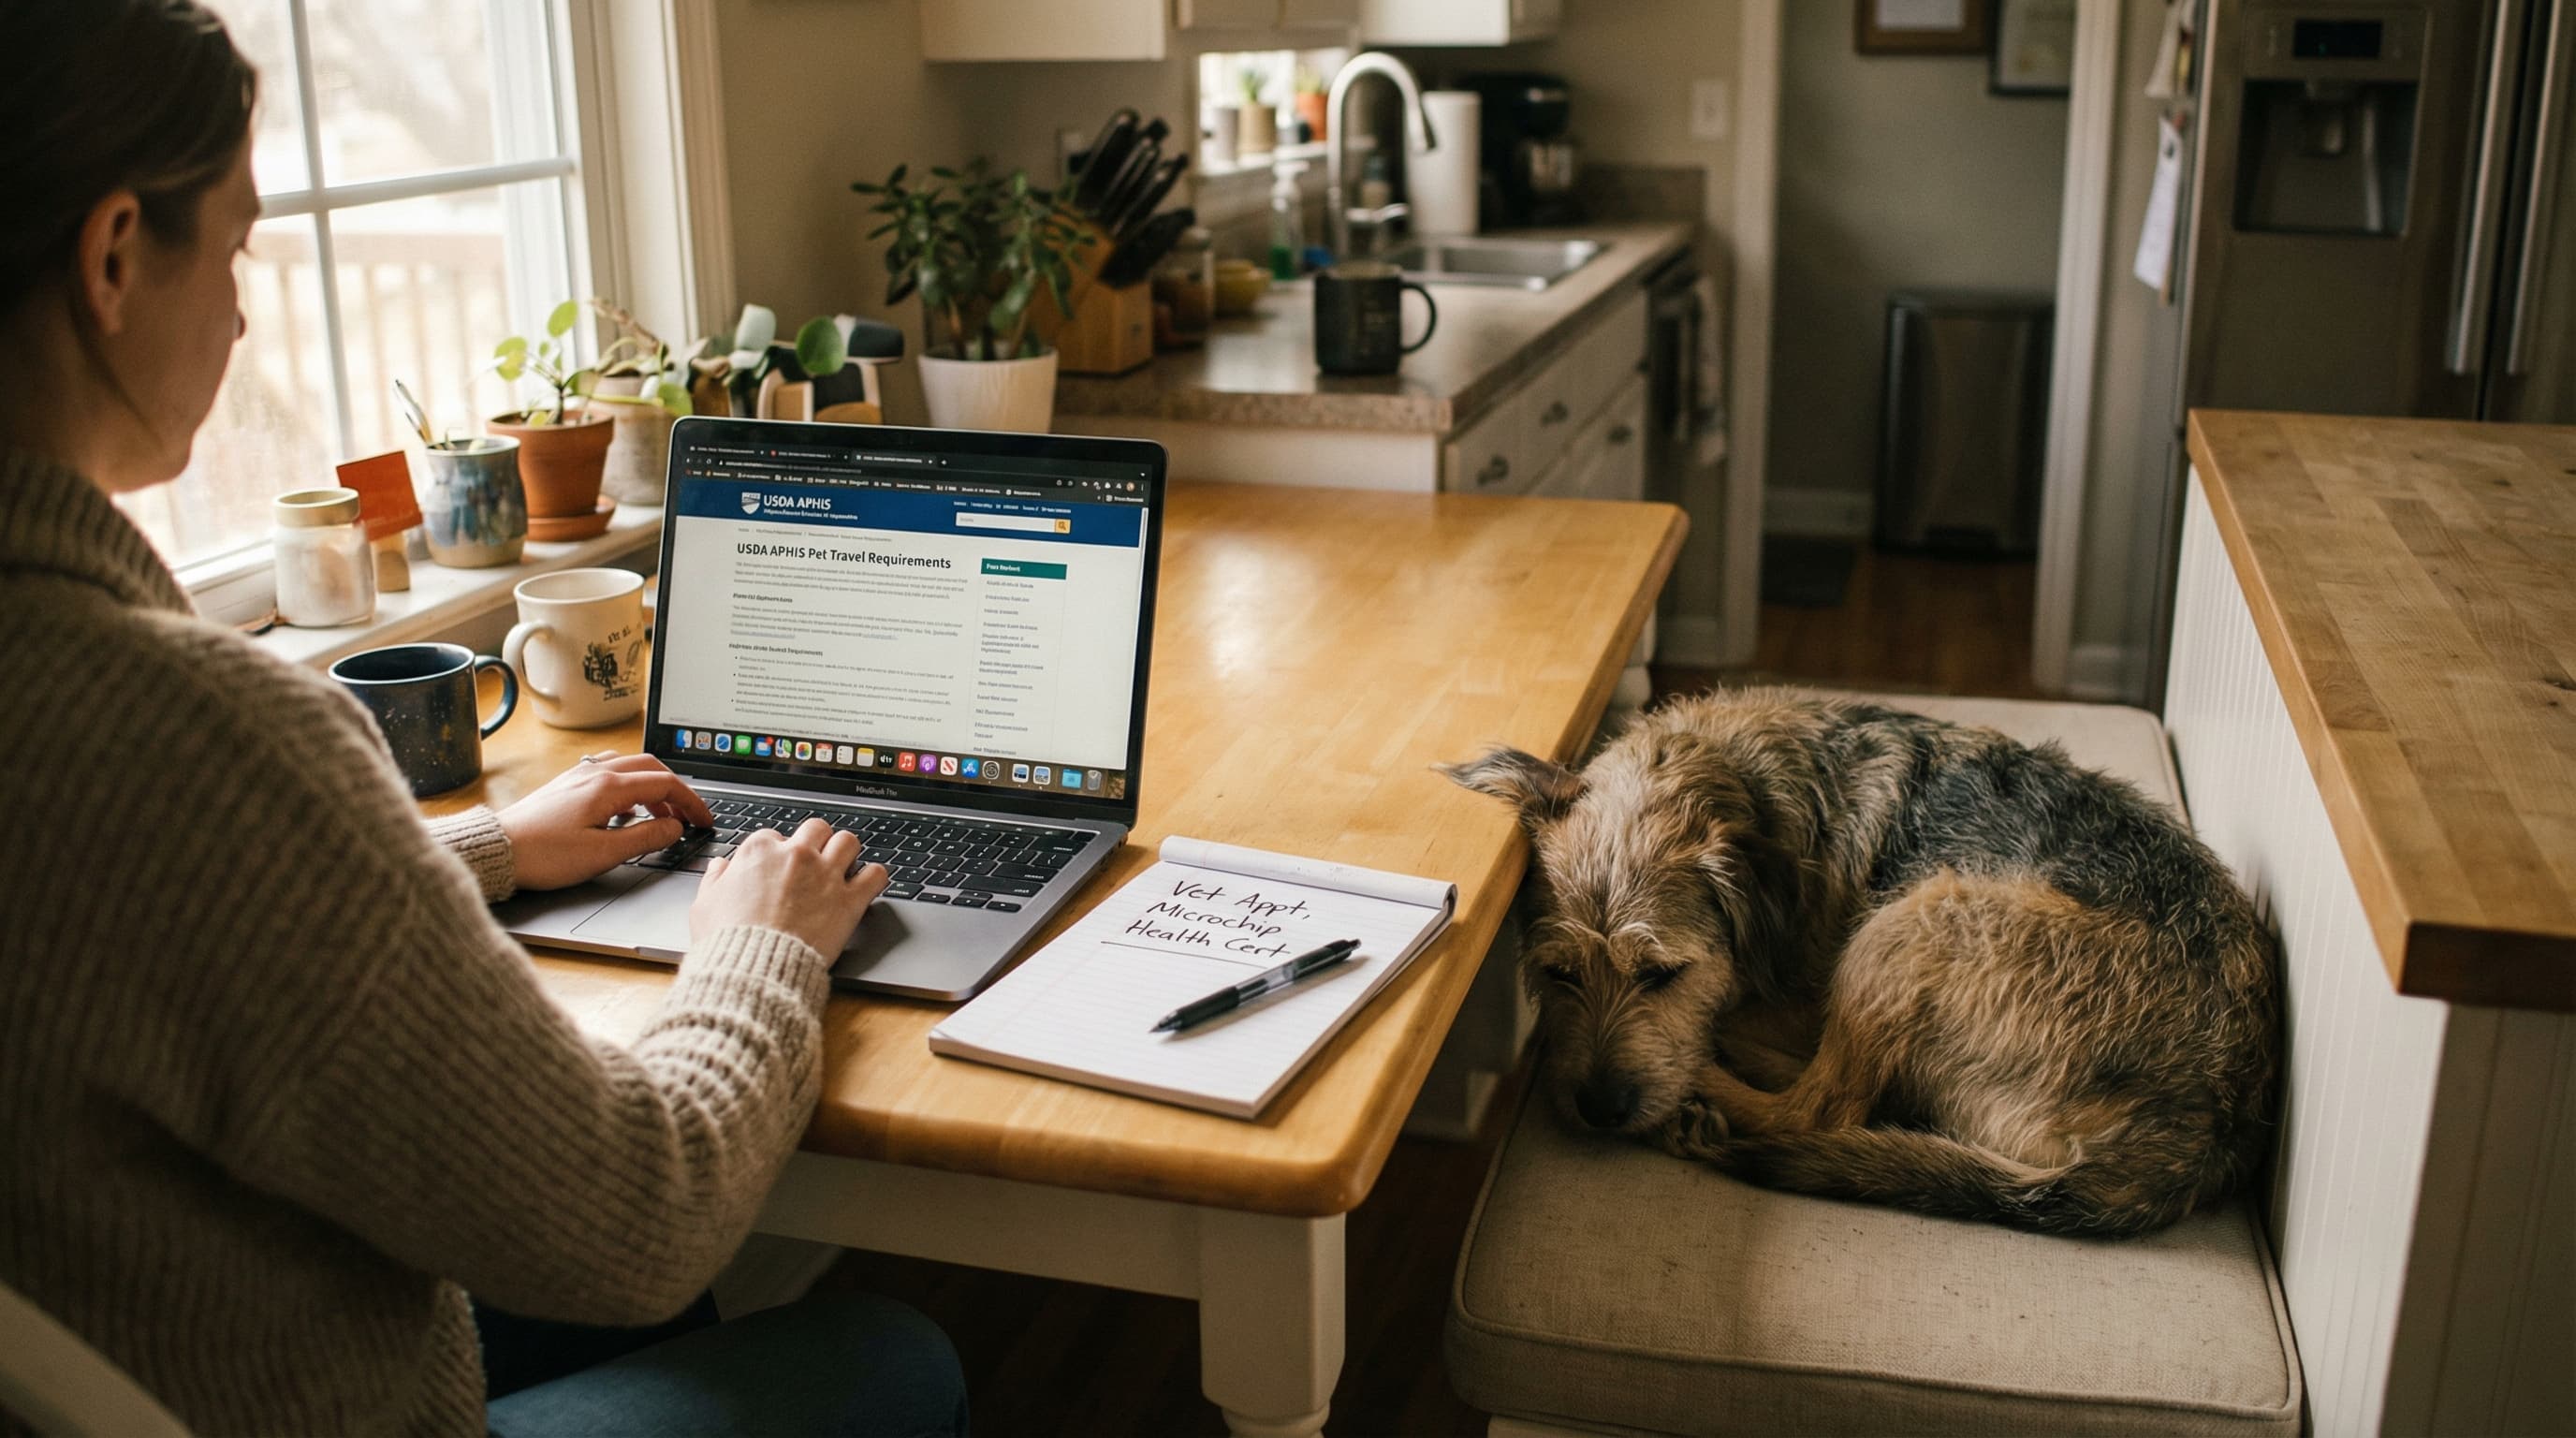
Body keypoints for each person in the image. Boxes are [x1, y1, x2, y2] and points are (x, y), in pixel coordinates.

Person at [0, 3, 964, 1433]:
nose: (248, 304)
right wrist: (758, 949)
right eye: (244, 243)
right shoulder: (186, 730)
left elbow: (110, 929)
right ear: (115, 254)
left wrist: (490, 849)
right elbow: (641, 1211)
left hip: (145, 1328)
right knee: (893, 1357)